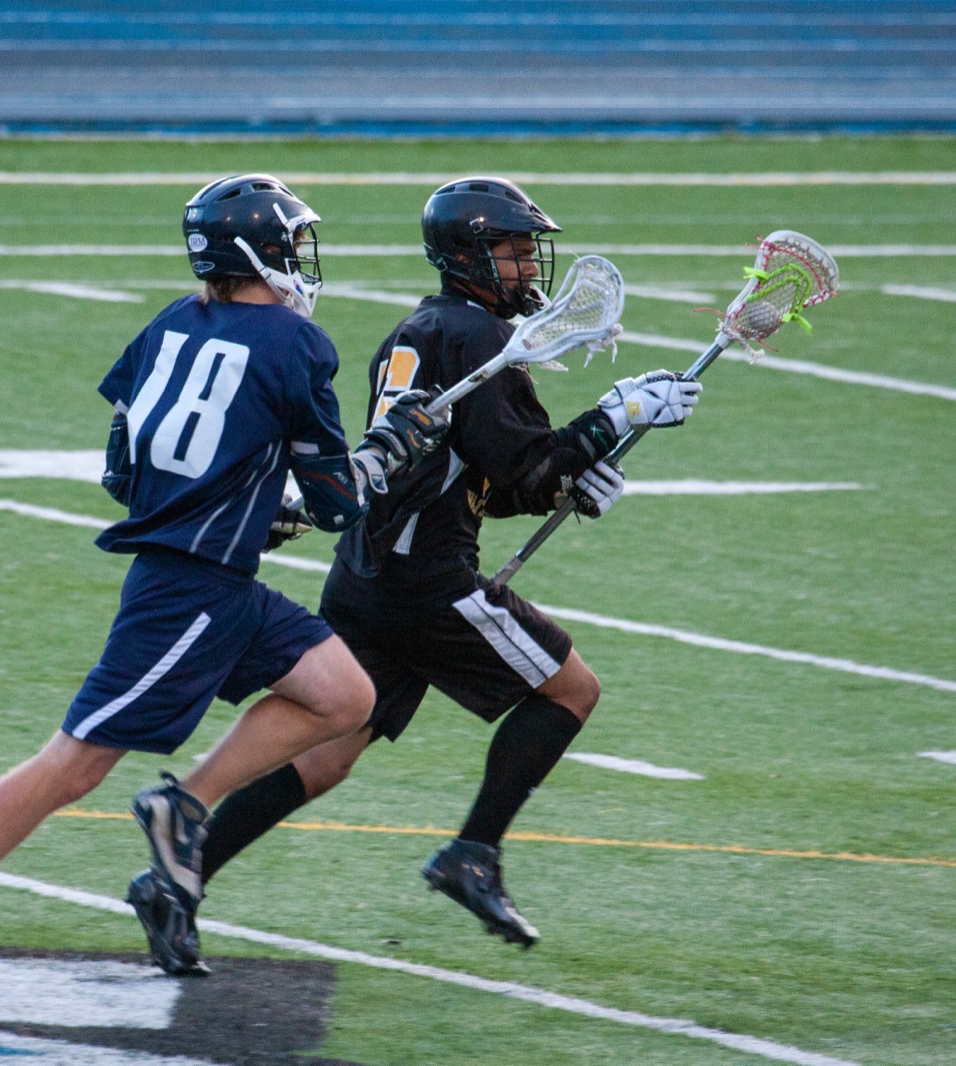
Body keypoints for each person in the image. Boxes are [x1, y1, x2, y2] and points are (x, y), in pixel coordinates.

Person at [0, 173, 451, 1011]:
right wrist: (387, 447)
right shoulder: (296, 345)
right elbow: (337, 505)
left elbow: (123, 472)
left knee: (342, 694)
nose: (301, 258)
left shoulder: (168, 325)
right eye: (291, 242)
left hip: (212, 575)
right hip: (191, 590)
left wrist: (248, 505)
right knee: (75, 762)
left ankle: (186, 806)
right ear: (258, 250)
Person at [130, 176, 702, 974]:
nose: (525, 265)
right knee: (572, 691)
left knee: (326, 756)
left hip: (367, 568)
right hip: (426, 582)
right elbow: (521, 464)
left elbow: (496, 481)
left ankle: (180, 877)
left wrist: (578, 473)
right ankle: (473, 853)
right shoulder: (477, 341)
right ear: (469, 254)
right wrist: (611, 419)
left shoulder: (423, 328)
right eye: (509, 249)